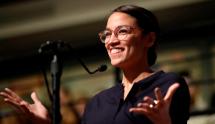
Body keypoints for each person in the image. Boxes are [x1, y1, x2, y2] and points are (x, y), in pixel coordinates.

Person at [0, 5, 190, 124]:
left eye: (122, 31)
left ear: (149, 39)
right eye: (107, 34)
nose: (111, 41)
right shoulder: (97, 102)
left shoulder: (168, 85)